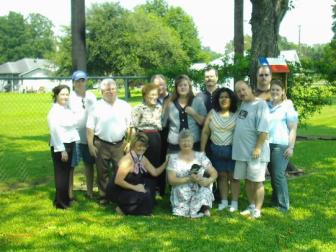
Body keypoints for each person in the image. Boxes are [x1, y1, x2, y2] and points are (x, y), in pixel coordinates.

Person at [87, 78, 132, 204]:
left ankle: (119, 195)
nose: (110, 92)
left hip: (120, 144)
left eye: (113, 89)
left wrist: (129, 142)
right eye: (107, 90)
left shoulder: (124, 105)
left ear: (116, 90)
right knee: (102, 172)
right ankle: (104, 196)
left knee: (121, 171)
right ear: (101, 91)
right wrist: (90, 145)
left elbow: (130, 126)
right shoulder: (95, 107)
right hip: (101, 144)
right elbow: (89, 128)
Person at [232, 81, 270, 219]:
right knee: (247, 180)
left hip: (255, 152)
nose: (241, 93)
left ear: (250, 88)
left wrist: (258, 147)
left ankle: (257, 211)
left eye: (243, 89)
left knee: (257, 181)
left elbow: (264, 130)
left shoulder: (261, 105)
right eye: (238, 91)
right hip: (242, 153)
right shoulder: (243, 104)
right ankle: (251, 205)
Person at [106, 132, 168, 216]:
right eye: (139, 146)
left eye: (144, 146)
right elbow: (118, 181)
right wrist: (136, 188)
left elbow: (155, 172)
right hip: (118, 189)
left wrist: (166, 163)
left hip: (129, 188)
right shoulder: (127, 160)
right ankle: (122, 209)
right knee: (142, 196)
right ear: (133, 145)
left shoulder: (142, 158)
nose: (142, 148)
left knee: (148, 195)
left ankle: (131, 209)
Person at [200, 87, 240, 212]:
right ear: (217, 99)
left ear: (231, 99)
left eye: (226, 97)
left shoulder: (237, 113)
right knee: (221, 176)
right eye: (221, 97)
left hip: (233, 150)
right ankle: (224, 201)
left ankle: (234, 202)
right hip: (216, 150)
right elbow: (205, 132)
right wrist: (202, 151)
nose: (224, 99)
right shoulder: (212, 113)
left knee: (234, 177)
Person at [167, 129, 218, 218]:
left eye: (188, 141)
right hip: (181, 191)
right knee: (181, 200)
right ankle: (191, 209)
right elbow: (171, 180)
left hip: (198, 187)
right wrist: (189, 179)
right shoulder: (173, 158)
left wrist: (208, 180)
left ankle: (203, 208)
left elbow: (214, 173)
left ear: (193, 142)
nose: (186, 143)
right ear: (179, 142)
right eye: (183, 141)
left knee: (205, 190)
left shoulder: (201, 156)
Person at [268, 79, 298, 211]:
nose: (275, 92)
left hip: (281, 145)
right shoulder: (267, 105)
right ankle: (275, 200)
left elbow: (293, 128)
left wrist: (291, 147)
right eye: (272, 89)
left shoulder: (288, 107)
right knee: (273, 175)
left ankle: (284, 204)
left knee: (279, 175)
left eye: (277, 90)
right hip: (267, 145)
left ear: (282, 92)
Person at [48, 85, 79, 209]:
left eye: (67, 94)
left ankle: (62, 199)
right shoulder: (54, 111)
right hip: (60, 145)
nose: (65, 97)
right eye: (62, 94)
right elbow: (55, 132)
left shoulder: (66, 108)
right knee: (61, 175)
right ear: (56, 95)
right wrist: (62, 150)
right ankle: (61, 204)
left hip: (69, 143)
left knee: (65, 174)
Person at [130, 83, 163, 199]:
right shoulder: (138, 108)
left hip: (156, 137)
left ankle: (154, 191)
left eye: (156, 94)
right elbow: (133, 127)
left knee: (155, 164)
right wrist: (132, 143)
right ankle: (142, 190)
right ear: (144, 96)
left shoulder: (160, 108)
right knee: (141, 164)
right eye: (151, 95)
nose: (154, 97)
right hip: (143, 137)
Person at [68, 70, 96, 199]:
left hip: (88, 137)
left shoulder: (91, 96)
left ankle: (89, 192)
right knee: (72, 165)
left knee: (89, 164)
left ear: (86, 81)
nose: (80, 83)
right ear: (73, 83)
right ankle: (70, 192)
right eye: (77, 81)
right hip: (74, 136)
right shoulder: (69, 97)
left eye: (82, 80)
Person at [163, 74, 207, 153]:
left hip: (193, 143)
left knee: (193, 165)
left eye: (185, 85)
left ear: (189, 87)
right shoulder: (170, 103)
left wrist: (194, 113)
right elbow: (163, 123)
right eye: (180, 85)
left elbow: (204, 122)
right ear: (176, 88)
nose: (183, 87)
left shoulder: (198, 101)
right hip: (174, 144)